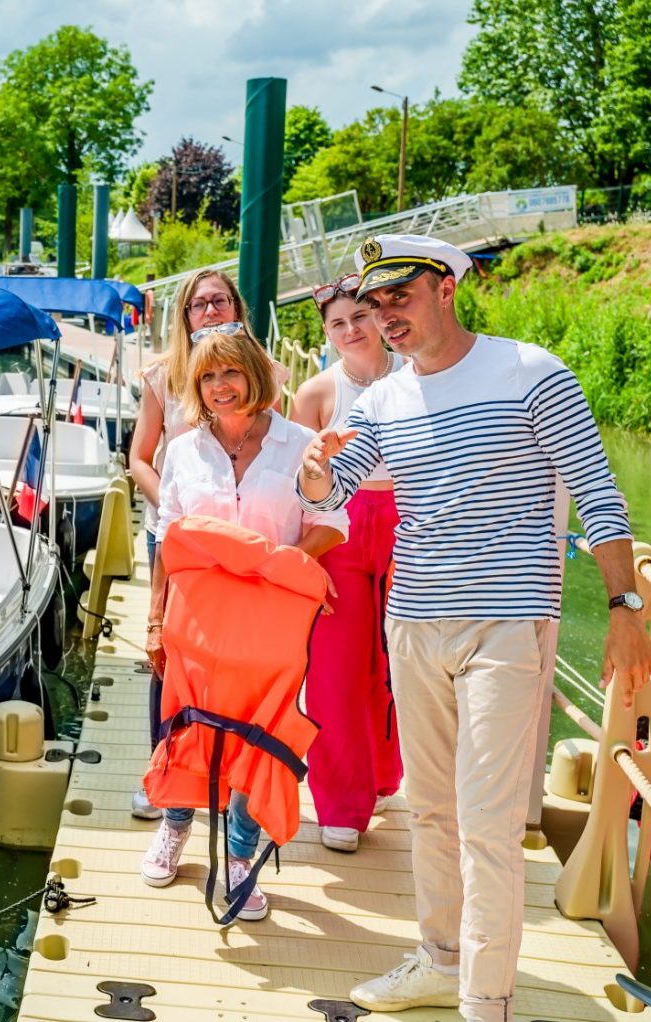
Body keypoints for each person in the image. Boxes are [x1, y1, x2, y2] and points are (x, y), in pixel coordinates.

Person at [298, 234, 651, 1022]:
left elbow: (598, 493)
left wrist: (626, 610)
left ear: (446, 288)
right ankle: (440, 958)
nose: (385, 315)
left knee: (487, 823)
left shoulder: (530, 372)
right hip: (414, 625)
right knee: (429, 808)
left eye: (401, 296)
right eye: (374, 301)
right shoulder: (383, 399)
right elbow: (335, 491)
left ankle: (483, 1002)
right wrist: (317, 467)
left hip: (506, 624)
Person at [140, 324, 347, 921]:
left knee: (261, 736)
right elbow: (167, 537)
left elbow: (336, 523)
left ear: (255, 374)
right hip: (196, 623)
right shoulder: (182, 449)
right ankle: (175, 829)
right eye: (207, 376)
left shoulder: (299, 443)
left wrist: (280, 565)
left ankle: (238, 858)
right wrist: (155, 618)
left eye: (230, 372)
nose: (219, 386)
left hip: (271, 626)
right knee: (188, 726)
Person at [126, 269, 254, 821]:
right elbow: (138, 458)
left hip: (239, 538)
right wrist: (174, 512)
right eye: (199, 304)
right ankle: (165, 771)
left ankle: (232, 776)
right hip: (176, 535)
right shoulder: (163, 378)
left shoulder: (261, 371)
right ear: (184, 315)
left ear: (236, 307)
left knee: (235, 659)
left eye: (219, 301)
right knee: (170, 657)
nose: (210, 311)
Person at [288, 274, 405, 853]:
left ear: (380, 316)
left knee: (394, 663)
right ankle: (340, 802)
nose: (352, 328)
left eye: (361, 315)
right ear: (327, 333)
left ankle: (385, 773)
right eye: (338, 322)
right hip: (340, 529)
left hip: (411, 523)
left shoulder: (418, 376)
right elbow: (298, 483)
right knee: (335, 671)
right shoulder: (314, 395)